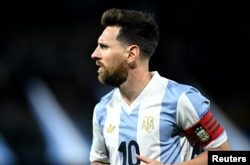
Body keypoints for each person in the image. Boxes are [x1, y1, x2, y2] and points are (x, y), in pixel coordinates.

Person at [89, 8, 230, 165]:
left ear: (131, 54)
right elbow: (100, 160)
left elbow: (227, 157)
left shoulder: (180, 100)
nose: (94, 54)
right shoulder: (102, 109)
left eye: (103, 46)